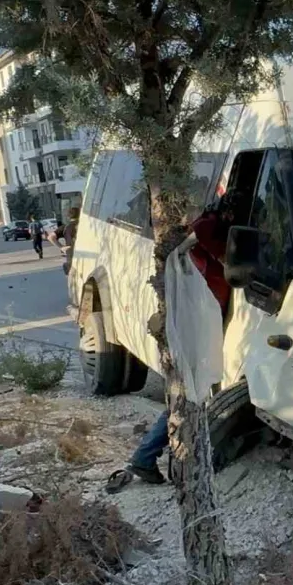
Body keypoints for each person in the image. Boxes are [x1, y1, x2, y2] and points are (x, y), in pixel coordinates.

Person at [120, 195, 238, 487]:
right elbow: (225, 260)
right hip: (198, 322)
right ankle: (146, 458)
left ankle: (147, 457)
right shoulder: (209, 227)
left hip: (202, 318)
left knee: (189, 392)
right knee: (187, 393)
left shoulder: (212, 227)